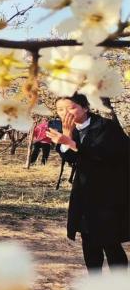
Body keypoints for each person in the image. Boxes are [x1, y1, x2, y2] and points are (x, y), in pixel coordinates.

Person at [45, 94, 129, 272]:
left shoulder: (106, 127)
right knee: (88, 239)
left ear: (85, 108)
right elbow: (71, 159)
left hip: (110, 191)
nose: (65, 113)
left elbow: (105, 155)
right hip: (84, 190)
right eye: (60, 109)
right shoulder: (64, 128)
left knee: (110, 240)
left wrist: (71, 142)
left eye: (71, 108)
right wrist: (67, 137)